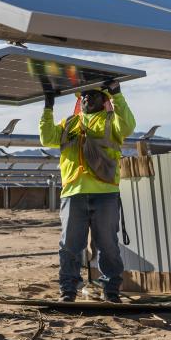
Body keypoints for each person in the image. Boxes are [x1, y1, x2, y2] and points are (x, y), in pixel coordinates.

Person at [38, 80, 136, 303]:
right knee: (70, 246)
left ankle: (111, 290)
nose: (86, 99)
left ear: (104, 100)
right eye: (83, 96)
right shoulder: (70, 123)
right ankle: (68, 290)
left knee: (108, 245)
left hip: (105, 193)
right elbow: (47, 137)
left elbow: (128, 125)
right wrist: (47, 108)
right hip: (73, 192)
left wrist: (118, 95)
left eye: (92, 95)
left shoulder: (112, 121)